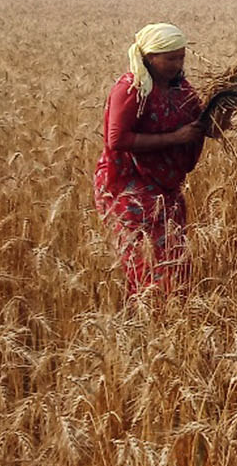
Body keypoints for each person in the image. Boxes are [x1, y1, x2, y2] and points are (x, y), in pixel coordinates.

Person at [92, 23, 227, 298]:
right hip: (130, 185)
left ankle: (171, 314)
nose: (177, 65)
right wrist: (176, 138)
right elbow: (116, 139)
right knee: (145, 262)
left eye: (181, 57)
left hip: (166, 187)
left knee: (174, 258)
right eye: (170, 58)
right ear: (149, 57)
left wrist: (224, 109)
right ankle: (147, 313)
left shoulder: (181, 89)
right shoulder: (131, 89)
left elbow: (203, 127)